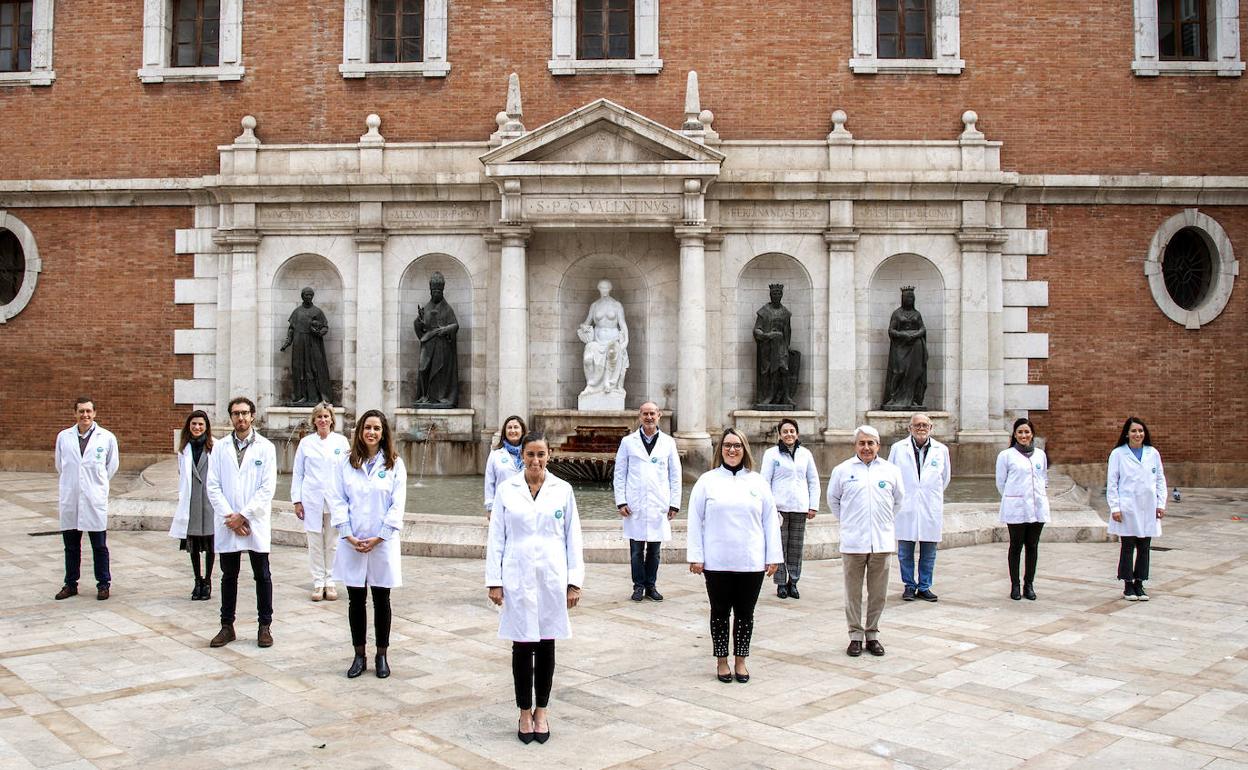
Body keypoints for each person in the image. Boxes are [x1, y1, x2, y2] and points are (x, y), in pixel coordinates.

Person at [486, 432, 584, 744]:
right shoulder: (507, 489)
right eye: (530, 454)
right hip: (517, 576)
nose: (535, 461)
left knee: (545, 645)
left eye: (540, 454)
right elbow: (496, 537)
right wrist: (495, 581)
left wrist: (573, 582)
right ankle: (523, 710)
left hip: (552, 578)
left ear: (549, 455)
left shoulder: (562, 490)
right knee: (521, 646)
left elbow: (573, 537)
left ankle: (542, 710)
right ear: (522, 457)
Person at [688, 428, 782, 683]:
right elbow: (695, 520)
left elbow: (770, 521)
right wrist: (696, 556)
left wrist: (772, 556)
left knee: (745, 613)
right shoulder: (707, 481)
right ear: (720, 449)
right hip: (717, 559)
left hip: (750, 560)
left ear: (745, 450)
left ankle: (741, 660)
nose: (732, 450)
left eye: (737, 446)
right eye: (728, 445)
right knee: (719, 611)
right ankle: (721, 661)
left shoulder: (757, 481)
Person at [329, 410, 406, 679]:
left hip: (381, 542)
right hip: (353, 541)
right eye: (367, 428)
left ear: (384, 433)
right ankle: (359, 654)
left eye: (376, 428)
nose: (371, 432)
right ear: (360, 431)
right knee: (356, 600)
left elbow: (398, 504)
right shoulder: (346, 463)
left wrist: (381, 535)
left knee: (382, 599)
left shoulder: (394, 464)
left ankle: (382, 654)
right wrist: (347, 533)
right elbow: (337, 499)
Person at [206, 396, 277, 648]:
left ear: (253, 416)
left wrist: (244, 515)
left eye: (245, 413)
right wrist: (231, 517)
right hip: (229, 521)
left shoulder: (266, 448)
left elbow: (267, 488)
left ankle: (264, 626)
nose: (241, 418)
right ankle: (227, 626)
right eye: (236, 413)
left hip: (253, 521)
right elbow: (212, 485)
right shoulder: (220, 447)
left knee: (262, 575)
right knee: (228, 576)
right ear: (230, 417)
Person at [827, 425, 904, 657]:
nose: (867, 447)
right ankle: (855, 636)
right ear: (855, 446)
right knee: (853, 593)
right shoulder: (842, 470)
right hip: (853, 542)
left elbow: (898, 501)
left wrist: (883, 522)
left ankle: (872, 634)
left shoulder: (891, 471)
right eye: (862, 443)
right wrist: (850, 522)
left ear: (878, 446)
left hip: (881, 541)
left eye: (871, 443)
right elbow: (833, 501)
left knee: (878, 592)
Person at [613, 401, 681, 601]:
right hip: (635, 504)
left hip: (659, 503)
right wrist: (621, 501)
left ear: (659, 415)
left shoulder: (668, 442)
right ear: (639, 416)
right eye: (645, 414)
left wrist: (674, 503)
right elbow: (619, 474)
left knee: (654, 550)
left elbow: (675, 475)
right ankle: (638, 586)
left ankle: (651, 585)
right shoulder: (628, 442)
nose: (649, 417)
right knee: (636, 550)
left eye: (652, 413)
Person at [54, 397, 119, 601]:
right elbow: (60, 465)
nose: (85, 415)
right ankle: (71, 583)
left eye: (89, 411)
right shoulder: (64, 437)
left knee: (99, 545)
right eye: (81, 411)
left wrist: (96, 486)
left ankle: (103, 584)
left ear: (95, 413)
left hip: (94, 497)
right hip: (71, 496)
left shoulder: (106, 437)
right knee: (71, 545)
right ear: (75, 413)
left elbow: (112, 466)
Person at [887, 413, 950, 602]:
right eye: (917, 425)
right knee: (905, 550)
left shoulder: (941, 450)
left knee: (929, 550)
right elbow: (891, 476)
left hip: (929, 505)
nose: (921, 428)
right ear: (910, 428)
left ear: (931, 428)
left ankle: (924, 586)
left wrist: (928, 494)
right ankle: (909, 585)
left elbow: (945, 477)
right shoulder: (898, 449)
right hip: (906, 506)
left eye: (925, 425)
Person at [291, 402, 350, 602]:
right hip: (311, 498)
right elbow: (298, 473)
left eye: (326, 416)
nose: (323, 420)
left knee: (332, 542)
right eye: (319, 417)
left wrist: (348, 499)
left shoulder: (341, 442)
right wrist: (296, 500)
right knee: (315, 542)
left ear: (332, 419)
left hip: (334, 499)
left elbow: (347, 472)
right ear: (314, 420)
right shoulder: (306, 443)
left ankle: (330, 580)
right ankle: (318, 582)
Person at [759, 418, 820, 599]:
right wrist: (767, 507)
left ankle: (793, 582)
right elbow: (765, 481)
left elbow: (813, 480)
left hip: (800, 506)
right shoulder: (771, 454)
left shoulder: (806, 454)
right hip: (779, 508)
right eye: (785, 431)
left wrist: (813, 505)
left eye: (792, 431)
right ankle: (780, 583)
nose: (789, 434)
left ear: (797, 434)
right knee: (779, 547)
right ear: (779, 434)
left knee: (795, 547)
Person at [1107, 417, 1166, 601]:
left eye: (1141, 431)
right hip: (1127, 508)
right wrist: (1115, 507)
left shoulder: (1152, 453)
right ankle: (1127, 584)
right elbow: (1112, 483)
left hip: (1148, 507)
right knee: (1128, 546)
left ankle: (1140, 583)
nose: (1138, 434)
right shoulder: (1118, 454)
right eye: (1134, 431)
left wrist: (1160, 504)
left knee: (1144, 546)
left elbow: (1160, 480)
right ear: (1127, 433)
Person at [996, 417, 1050, 601]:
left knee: (1033, 546)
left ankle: (1029, 584)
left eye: (1027, 432)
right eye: (1020, 432)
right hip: (1016, 507)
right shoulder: (1006, 455)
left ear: (1032, 434)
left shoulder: (1040, 455)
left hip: (1037, 506)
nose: (1024, 435)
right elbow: (1000, 483)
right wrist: (1014, 497)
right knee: (1016, 545)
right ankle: (1015, 585)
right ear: (1015, 434)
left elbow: (1043, 478)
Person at [169, 410, 215, 601]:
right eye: (194, 424)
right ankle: (197, 580)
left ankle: (208, 581)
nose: (197, 427)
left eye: (200, 424)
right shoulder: (184, 449)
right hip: (192, 501)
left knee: (211, 545)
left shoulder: (215, 447)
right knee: (194, 545)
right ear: (189, 427)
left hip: (210, 501)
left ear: (206, 427)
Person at [280, 287, 333, 406]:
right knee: (299, 369)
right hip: (299, 344)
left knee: (313, 369)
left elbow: (325, 327)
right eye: (306, 295)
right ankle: (300, 396)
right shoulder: (297, 312)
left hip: (313, 344)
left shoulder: (317, 312)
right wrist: (287, 343)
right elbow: (291, 329)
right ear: (302, 296)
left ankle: (314, 397)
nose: (308, 297)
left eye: (310, 295)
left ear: (312, 296)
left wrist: (319, 332)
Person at [414, 271, 460, 407]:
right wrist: (419, 322)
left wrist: (444, 330)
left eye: (438, 291)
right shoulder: (426, 308)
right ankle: (424, 395)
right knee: (423, 368)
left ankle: (440, 397)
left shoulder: (447, 308)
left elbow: (455, 325)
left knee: (440, 371)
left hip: (442, 346)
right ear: (431, 291)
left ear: (442, 292)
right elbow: (420, 327)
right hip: (428, 344)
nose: (436, 294)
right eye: (434, 291)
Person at [578, 278, 629, 399]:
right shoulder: (594, 305)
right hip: (597, 340)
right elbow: (587, 322)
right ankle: (591, 385)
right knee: (587, 359)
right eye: (602, 287)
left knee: (612, 354)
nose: (604, 290)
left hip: (613, 339)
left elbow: (623, 324)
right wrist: (583, 327)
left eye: (606, 287)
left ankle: (608, 383)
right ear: (598, 289)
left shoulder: (617, 305)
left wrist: (626, 341)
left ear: (610, 289)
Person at [881, 286, 928, 410]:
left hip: (915, 346)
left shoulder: (917, 314)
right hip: (900, 346)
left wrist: (915, 335)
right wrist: (903, 335)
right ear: (903, 299)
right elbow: (891, 330)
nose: (909, 300)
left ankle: (913, 399)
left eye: (911, 298)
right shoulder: (897, 314)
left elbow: (923, 328)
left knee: (916, 372)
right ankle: (893, 398)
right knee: (899, 371)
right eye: (907, 297)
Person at [753, 283, 793, 406]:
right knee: (769, 371)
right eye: (774, 293)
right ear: (770, 295)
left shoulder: (785, 312)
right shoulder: (764, 311)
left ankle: (786, 396)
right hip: (767, 347)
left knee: (783, 369)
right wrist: (767, 335)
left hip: (781, 347)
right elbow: (756, 330)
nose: (776, 296)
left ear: (782, 295)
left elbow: (788, 331)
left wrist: (787, 347)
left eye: (778, 293)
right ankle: (768, 396)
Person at [484, 415, 527, 519]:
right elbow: (489, 482)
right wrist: (490, 508)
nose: (512, 430)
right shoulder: (495, 454)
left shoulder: (529, 453)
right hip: (503, 506)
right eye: (509, 427)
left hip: (526, 505)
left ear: (522, 431)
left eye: (516, 427)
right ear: (504, 431)